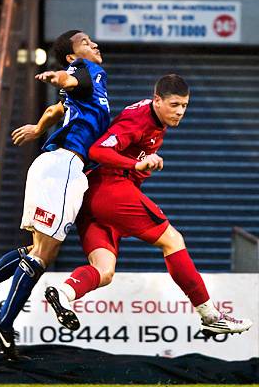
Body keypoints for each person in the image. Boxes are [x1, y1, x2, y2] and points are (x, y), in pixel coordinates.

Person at [45, 74, 253, 338]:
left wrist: (144, 161)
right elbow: (97, 151)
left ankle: (64, 293)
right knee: (173, 241)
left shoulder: (153, 117)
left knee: (104, 270)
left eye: (185, 106)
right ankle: (210, 315)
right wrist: (136, 165)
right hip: (112, 189)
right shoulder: (139, 119)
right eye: (175, 105)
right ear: (157, 100)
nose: (180, 112)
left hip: (92, 199)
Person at [0, 30, 111, 360]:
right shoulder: (89, 70)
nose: (93, 44)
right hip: (66, 166)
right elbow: (68, 82)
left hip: (51, 165)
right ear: (72, 56)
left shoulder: (88, 85)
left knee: (35, 249)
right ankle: (4, 321)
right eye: (84, 42)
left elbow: (56, 109)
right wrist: (59, 77)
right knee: (43, 254)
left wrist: (39, 128)